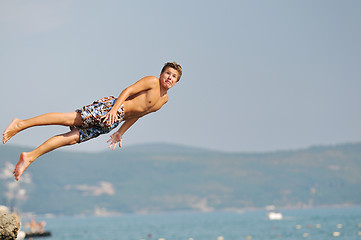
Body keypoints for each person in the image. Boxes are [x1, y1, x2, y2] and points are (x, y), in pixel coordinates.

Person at [2, 62, 182, 181]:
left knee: (72, 138)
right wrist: (113, 109)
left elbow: (138, 114)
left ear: (176, 83)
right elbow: (128, 90)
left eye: (173, 77)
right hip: (110, 109)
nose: (169, 77)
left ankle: (30, 156)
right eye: (167, 73)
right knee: (69, 119)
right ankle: (21, 124)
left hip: (114, 121)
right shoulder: (151, 81)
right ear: (161, 73)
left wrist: (120, 132)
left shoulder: (163, 100)